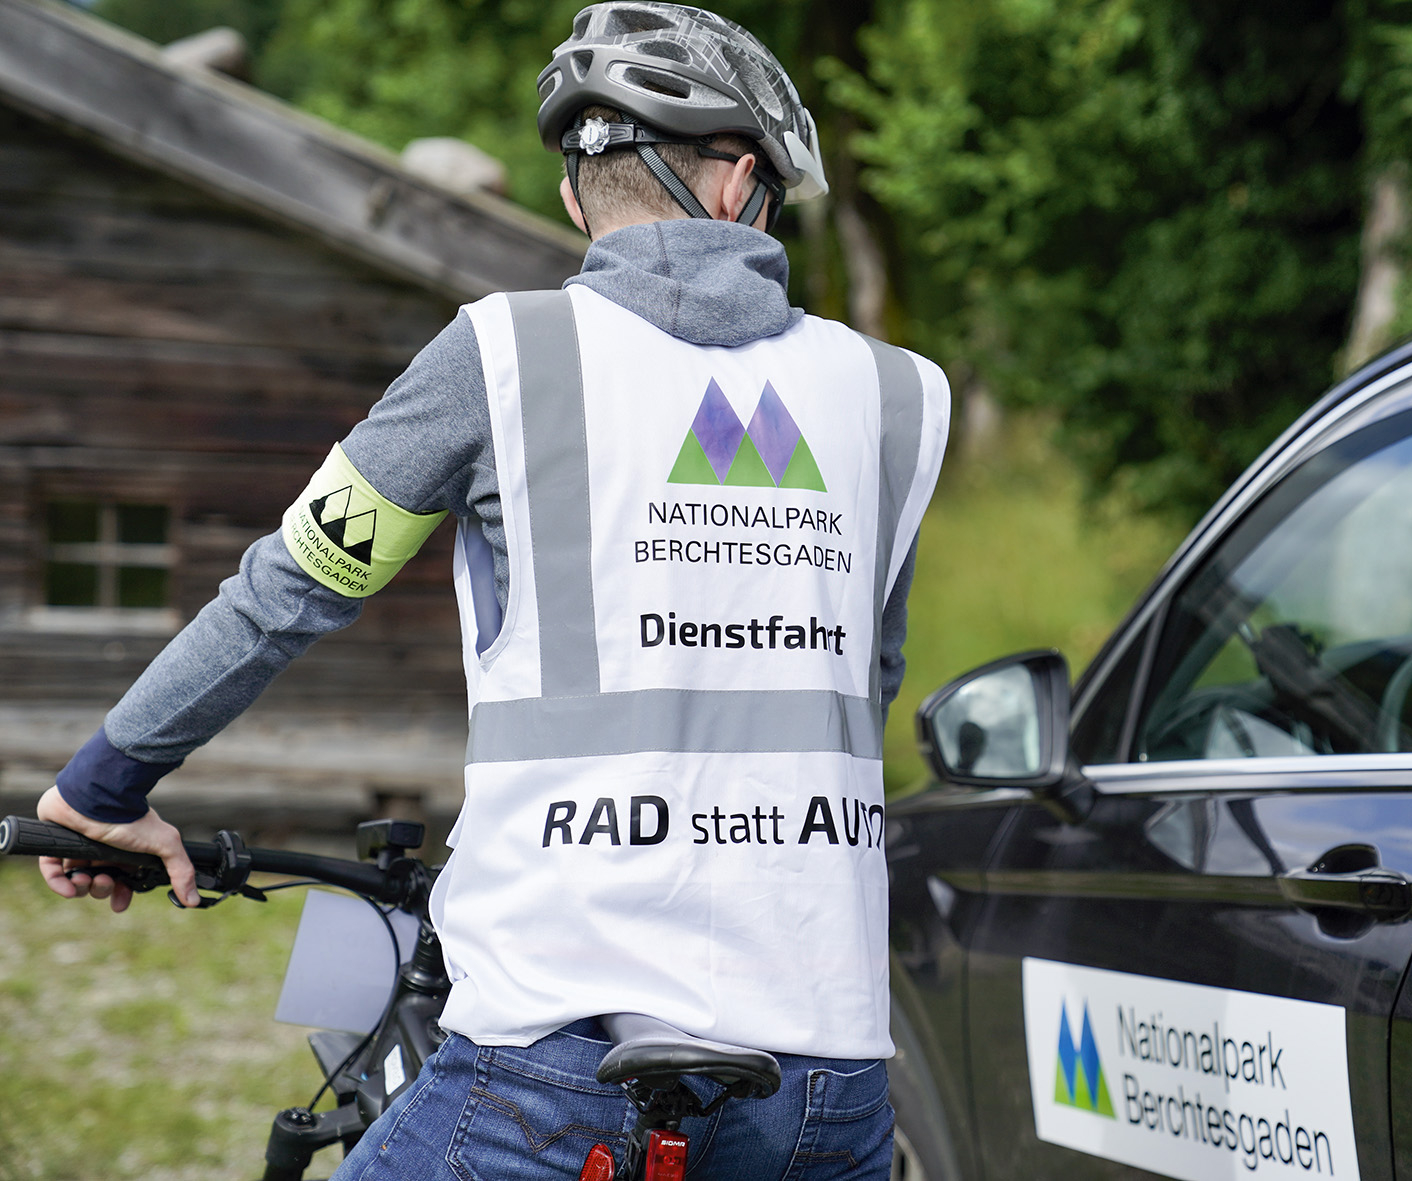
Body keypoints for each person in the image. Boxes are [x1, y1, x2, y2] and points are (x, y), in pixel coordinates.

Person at [35, 4, 950, 1177]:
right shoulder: (895, 398)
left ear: (578, 198)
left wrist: (105, 782)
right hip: (822, 1066)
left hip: (552, 1061)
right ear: (737, 187)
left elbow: (289, 588)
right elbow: (860, 681)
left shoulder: (499, 357)